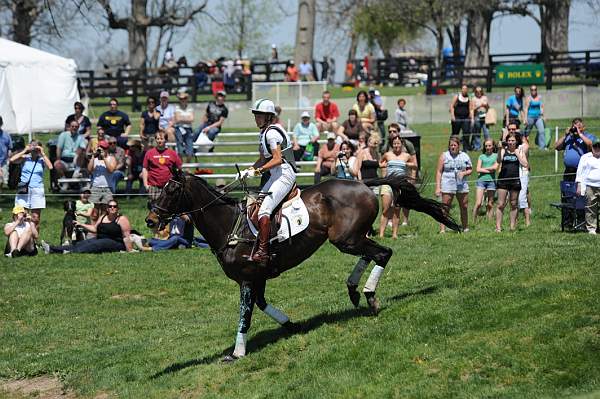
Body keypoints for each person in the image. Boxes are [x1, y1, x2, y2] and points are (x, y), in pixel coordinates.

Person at [240, 98, 296, 265]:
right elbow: (262, 159)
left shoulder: (271, 133)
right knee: (256, 205)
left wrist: (258, 171)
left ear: (269, 117)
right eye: (256, 115)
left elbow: (277, 159)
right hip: (274, 174)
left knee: (264, 210)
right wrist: (248, 170)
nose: (256, 118)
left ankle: (263, 252)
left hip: (284, 174)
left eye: (260, 115)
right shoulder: (264, 132)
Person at [41, 199, 133, 254]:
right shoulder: (103, 217)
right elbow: (94, 229)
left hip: (115, 243)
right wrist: (81, 224)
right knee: (81, 243)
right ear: (107, 208)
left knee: (95, 244)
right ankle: (51, 248)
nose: (112, 208)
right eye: (110, 206)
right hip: (100, 238)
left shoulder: (122, 219)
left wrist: (129, 250)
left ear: (117, 208)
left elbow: (126, 236)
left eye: (114, 206)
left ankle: (69, 252)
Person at [379, 136, 417, 238]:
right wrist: (384, 167)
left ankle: (394, 234)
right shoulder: (387, 154)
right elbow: (380, 163)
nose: (396, 145)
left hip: (400, 185)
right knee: (386, 209)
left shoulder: (406, 156)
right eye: (395, 143)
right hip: (388, 184)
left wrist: (407, 165)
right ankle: (381, 234)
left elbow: (415, 166)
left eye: (398, 143)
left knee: (397, 209)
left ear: (402, 144)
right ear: (392, 145)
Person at [10, 140, 53, 232]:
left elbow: (50, 167)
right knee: (20, 215)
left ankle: (34, 241)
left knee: (35, 218)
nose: (34, 148)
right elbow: (12, 160)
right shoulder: (25, 158)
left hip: (37, 189)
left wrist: (42, 153)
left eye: (36, 146)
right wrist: (25, 150)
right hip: (23, 188)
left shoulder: (42, 160)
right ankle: (22, 238)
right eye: (32, 145)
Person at [435, 136, 473, 233]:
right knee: (445, 207)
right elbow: (439, 172)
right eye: (451, 145)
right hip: (447, 184)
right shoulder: (444, 156)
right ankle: (443, 229)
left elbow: (470, 169)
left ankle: (465, 227)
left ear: (458, 146)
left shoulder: (464, 156)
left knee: (464, 206)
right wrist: (438, 187)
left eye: (454, 145)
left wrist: (464, 173)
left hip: (461, 184)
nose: (452, 147)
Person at [495, 131, 528, 232]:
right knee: (500, 204)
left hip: (515, 180)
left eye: (513, 140)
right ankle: (498, 227)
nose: (510, 142)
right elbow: (499, 161)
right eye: (509, 140)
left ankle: (512, 226)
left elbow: (525, 164)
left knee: (513, 204)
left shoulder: (520, 151)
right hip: (503, 180)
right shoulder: (503, 150)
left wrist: (517, 154)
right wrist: (499, 149)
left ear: (516, 141)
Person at [142, 132, 182, 201]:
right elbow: (145, 169)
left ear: (166, 140)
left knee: (169, 207)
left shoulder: (172, 153)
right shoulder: (149, 153)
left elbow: (179, 168)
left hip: (169, 186)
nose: (159, 141)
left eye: (161, 139)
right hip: (153, 186)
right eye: (157, 139)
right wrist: (146, 185)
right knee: (155, 208)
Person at [576, 137, 600, 234]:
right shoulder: (585, 157)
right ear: (591, 147)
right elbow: (579, 173)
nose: (597, 148)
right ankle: (591, 228)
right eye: (595, 146)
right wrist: (579, 186)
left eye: (599, 146)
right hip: (590, 185)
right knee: (590, 207)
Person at [472, 139, 498, 222]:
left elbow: (495, 168)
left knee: (490, 203)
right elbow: (477, 169)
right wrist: (489, 170)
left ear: (493, 146)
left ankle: (489, 221)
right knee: (479, 203)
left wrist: (483, 168)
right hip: (481, 181)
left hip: (491, 182)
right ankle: (473, 220)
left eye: (489, 145)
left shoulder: (496, 156)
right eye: (486, 146)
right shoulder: (481, 156)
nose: (488, 147)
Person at [449, 84, 474, 151]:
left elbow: (471, 109)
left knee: (466, 133)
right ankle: (451, 147)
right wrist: (452, 116)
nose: (464, 90)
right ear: (461, 89)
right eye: (463, 88)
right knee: (455, 133)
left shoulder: (469, 97)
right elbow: (451, 106)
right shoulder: (457, 96)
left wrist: (472, 118)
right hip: (457, 118)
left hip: (466, 118)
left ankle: (465, 148)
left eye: (466, 89)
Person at [174, 92, 195, 163]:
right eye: (181, 99)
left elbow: (192, 119)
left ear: (187, 99)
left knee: (190, 149)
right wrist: (187, 118)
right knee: (180, 149)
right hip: (179, 129)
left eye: (184, 98)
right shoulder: (177, 107)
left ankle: (187, 166)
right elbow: (177, 119)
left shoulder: (190, 108)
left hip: (188, 129)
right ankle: (181, 165)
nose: (183, 100)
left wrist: (181, 118)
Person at [0, 116, 12, 191]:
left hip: (3, 162)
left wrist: (8, 158)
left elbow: (10, 148)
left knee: (3, 181)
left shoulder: (6, 135)